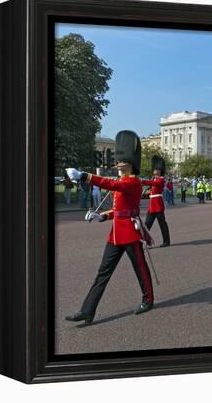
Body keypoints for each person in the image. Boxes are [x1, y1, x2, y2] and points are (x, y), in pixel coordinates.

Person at [64, 130, 154, 324]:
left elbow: (109, 184)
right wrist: (101, 217)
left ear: (130, 162)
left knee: (140, 269)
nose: (118, 162)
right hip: (116, 234)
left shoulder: (132, 183)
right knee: (103, 272)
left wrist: (84, 176)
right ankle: (87, 310)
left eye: (122, 160)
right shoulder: (123, 182)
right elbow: (119, 210)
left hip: (131, 233)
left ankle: (148, 299)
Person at [141, 155, 171, 247]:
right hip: (152, 205)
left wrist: (141, 181)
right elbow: (151, 191)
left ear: (160, 170)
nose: (155, 170)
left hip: (157, 204)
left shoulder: (161, 180)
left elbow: (153, 183)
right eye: (154, 169)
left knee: (162, 224)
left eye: (157, 169)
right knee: (146, 225)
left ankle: (166, 241)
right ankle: (146, 242)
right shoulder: (153, 179)